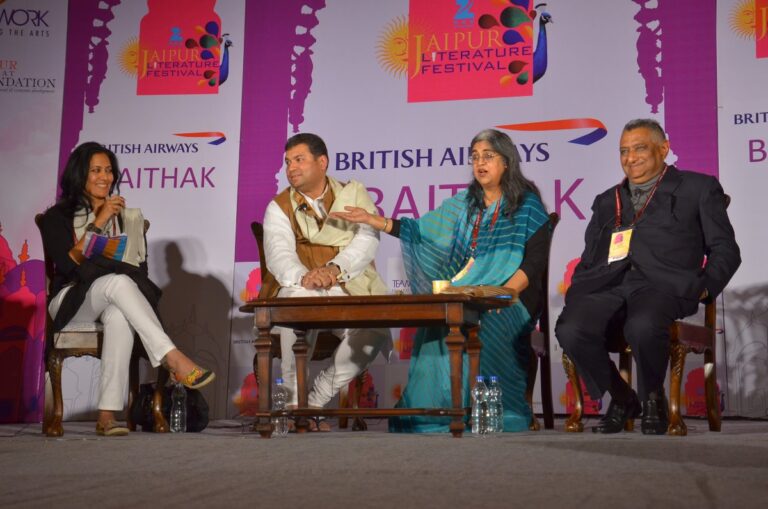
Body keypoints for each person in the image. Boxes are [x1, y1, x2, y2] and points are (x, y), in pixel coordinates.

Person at [332, 129, 550, 432]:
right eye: (475, 157)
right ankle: (441, 411)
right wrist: (376, 221)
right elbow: (421, 232)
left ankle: (490, 408)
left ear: (507, 162)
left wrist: (503, 293)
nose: (480, 163)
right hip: (467, 295)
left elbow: (534, 263)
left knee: (485, 320)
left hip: (511, 297)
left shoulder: (527, 206)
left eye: (488, 156)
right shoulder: (464, 204)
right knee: (442, 320)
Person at [555, 119, 740, 434]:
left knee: (642, 325)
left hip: (664, 284)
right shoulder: (606, 201)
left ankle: (652, 396)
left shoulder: (698, 188)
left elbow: (726, 250)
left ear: (664, 148)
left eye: (640, 148)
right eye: (624, 151)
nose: (630, 158)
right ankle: (623, 396)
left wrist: (705, 290)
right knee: (570, 328)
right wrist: (580, 290)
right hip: (609, 285)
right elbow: (589, 257)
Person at [41, 142, 215, 436]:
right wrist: (100, 220)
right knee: (118, 282)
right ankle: (173, 357)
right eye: (95, 170)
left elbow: (140, 274)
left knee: (120, 315)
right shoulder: (56, 217)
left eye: (109, 170)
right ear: (79, 174)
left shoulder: (130, 217)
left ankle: (107, 416)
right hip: (71, 300)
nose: (104, 177)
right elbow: (67, 266)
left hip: (113, 297)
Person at [260, 133, 391, 429]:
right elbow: (278, 254)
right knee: (294, 308)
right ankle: (295, 404)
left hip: (345, 284)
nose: (291, 167)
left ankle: (316, 400)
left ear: (322, 162)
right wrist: (305, 277)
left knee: (374, 329)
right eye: (287, 162)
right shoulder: (278, 207)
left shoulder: (353, 195)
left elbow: (366, 240)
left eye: (299, 159)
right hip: (301, 286)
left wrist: (333, 269)